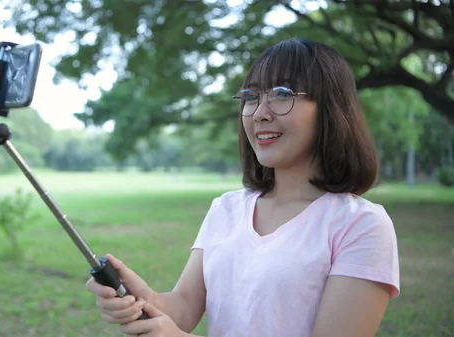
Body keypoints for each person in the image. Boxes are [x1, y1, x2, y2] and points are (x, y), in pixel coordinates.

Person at [85, 37, 400, 337]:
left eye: (281, 93)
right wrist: (140, 296)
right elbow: (182, 310)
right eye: (251, 97)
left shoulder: (361, 225)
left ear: (330, 109)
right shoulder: (226, 208)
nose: (260, 113)